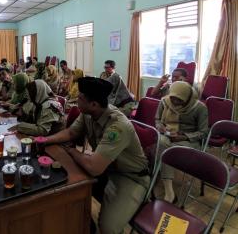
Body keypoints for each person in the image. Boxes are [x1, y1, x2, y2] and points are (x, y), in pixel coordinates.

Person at [45, 77, 150, 234]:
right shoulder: (89, 113)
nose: (76, 101)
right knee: (67, 190)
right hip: (107, 168)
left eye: (80, 98)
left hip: (129, 177)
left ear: (93, 104)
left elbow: (94, 168)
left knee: (108, 228)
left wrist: (72, 151)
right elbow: (71, 132)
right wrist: (45, 140)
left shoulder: (118, 126)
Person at [155, 81, 208, 203]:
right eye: (172, 98)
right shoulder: (165, 101)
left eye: (179, 100)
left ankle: (167, 190)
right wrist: (160, 127)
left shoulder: (199, 108)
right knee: (163, 144)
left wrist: (184, 136)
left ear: (188, 97)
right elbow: (157, 120)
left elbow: (204, 132)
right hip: (167, 135)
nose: (174, 102)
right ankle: (169, 190)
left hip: (189, 140)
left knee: (168, 149)